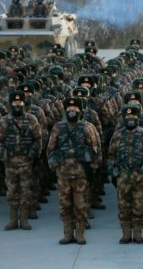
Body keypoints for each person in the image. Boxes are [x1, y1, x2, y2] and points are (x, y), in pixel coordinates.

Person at [47, 97, 102, 245]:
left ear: (80, 111)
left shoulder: (87, 127)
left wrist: (93, 169)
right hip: (63, 174)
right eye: (70, 109)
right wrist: (55, 167)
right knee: (65, 205)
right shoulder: (58, 127)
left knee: (81, 205)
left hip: (81, 174)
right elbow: (51, 149)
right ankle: (67, 233)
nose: (72, 111)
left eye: (75, 109)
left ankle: (80, 233)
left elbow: (96, 149)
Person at [108, 104, 143, 244]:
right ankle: (125, 234)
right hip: (123, 177)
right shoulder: (117, 136)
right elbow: (111, 156)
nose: (131, 118)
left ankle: (137, 233)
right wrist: (114, 172)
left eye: (133, 116)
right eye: (128, 116)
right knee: (123, 207)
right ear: (124, 118)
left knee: (139, 206)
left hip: (139, 177)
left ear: (137, 118)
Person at [0, 91, 42, 231]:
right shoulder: (4, 120)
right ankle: (13, 220)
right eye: (14, 102)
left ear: (24, 103)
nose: (17, 104)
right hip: (10, 162)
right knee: (12, 191)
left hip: (26, 162)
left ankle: (23, 220)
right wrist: (3, 154)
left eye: (20, 101)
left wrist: (33, 154)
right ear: (11, 103)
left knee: (25, 191)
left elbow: (38, 139)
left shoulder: (31, 119)